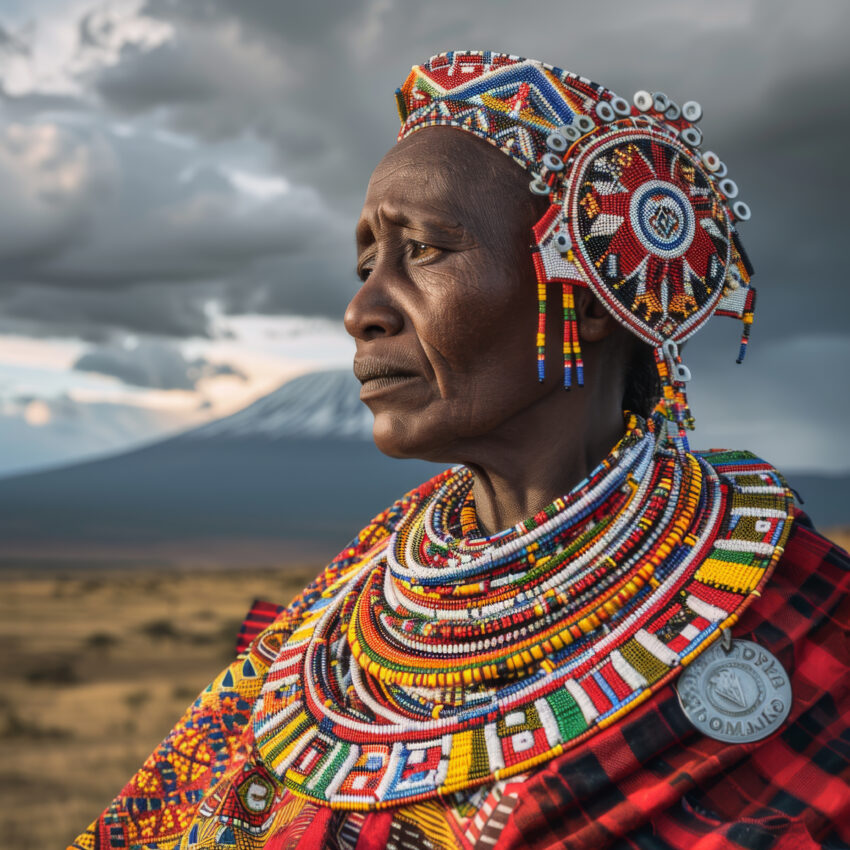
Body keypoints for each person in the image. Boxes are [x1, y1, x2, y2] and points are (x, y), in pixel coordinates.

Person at [69, 51, 849, 850]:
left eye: (427, 250)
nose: (360, 309)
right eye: (367, 261)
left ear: (588, 298)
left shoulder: (812, 628)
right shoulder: (346, 611)